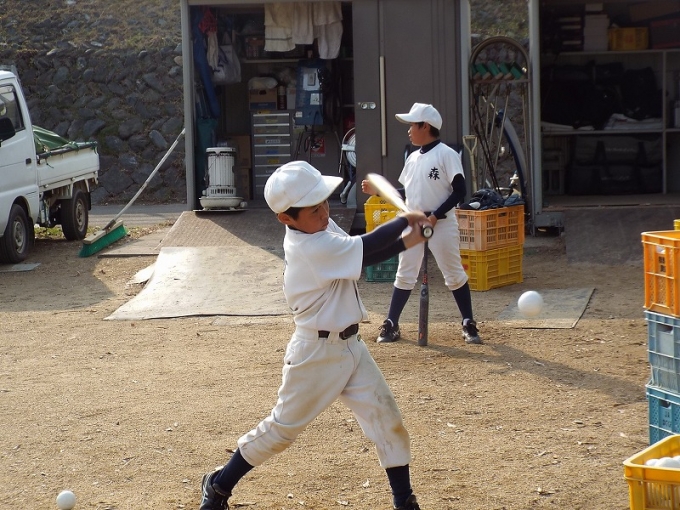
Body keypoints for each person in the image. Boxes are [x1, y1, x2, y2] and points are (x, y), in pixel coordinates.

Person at [199, 160, 431, 510]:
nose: (324, 213)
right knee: (281, 431)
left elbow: (360, 252)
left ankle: (404, 501)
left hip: (351, 347)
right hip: (315, 353)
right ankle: (218, 485)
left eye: (324, 203)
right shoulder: (308, 247)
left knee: (387, 421)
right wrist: (405, 220)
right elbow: (365, 246)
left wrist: (410, 238)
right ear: (286, 218)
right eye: (313, 209)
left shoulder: (319, 228)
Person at [361, 102, 482, 345]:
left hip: (442, 222)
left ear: (425, 126)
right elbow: (408, 193)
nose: (408, 130)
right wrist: (379, 191)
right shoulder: (413, 158)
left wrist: (435, 216)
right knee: (405, 272)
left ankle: (468, 322)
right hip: (414, 221)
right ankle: (391, 323)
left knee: (453, 273)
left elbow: (460, 191)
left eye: (412, 125)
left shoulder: (446, 154)